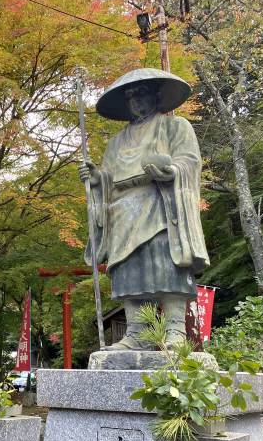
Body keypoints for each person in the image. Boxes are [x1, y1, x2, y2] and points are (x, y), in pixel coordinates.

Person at [79, 68, 209, 350]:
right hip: (123, 210)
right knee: (128, 269)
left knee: (166, 263)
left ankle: (175, 331)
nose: (136, 100)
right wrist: (96, 179)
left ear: (156, 95)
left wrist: (170, 170)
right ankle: (138, 333)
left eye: (142, 93)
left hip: (160, 201)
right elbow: (109, 178)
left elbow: (189, 162)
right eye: (130, 96)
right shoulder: (115, 143)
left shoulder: (175, 127)